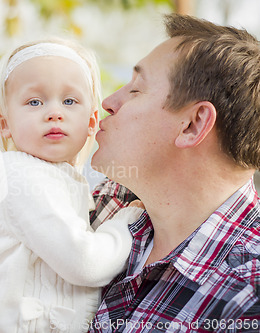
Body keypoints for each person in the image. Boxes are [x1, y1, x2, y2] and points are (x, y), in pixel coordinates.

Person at [0, 39, 143, 333]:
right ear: (5, 124)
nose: (54, 112)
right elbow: (84, 262)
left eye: (69, 101)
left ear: (91, 122)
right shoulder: (22, 177)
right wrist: (126, 221)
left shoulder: (56, 178)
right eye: (34, 102)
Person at [87, 14, 260, 332]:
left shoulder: (248, 297)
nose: (109, 102)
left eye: (136, 90)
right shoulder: (105, 205)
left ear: (193, 124)